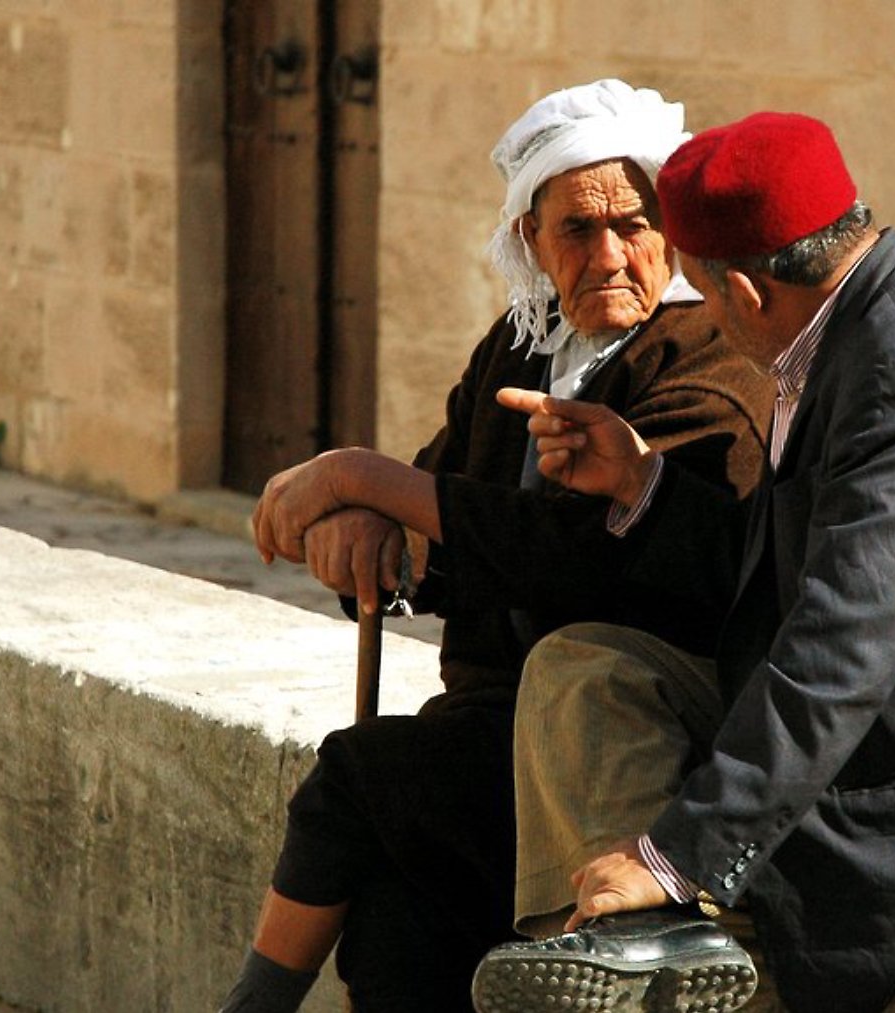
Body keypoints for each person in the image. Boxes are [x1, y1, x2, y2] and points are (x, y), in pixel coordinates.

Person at [477, 111, 895, 1013]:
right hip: (894, 731)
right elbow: (784, 559)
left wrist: (677, 851)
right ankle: (634, 942)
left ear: (748, 296)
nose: (708, 321)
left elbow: (842, 646)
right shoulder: (846, 327)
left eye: (705, 298)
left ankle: (663, 939)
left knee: (737, 905)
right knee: (587, 670)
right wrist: (643, 482)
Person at [223, 80, 773, 1012]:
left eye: (634, 226)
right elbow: (450, 496)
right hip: (492, 721)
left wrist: (363, 475)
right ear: (530, 240)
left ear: (669, 233)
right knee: (395, 931)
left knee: (357, 779)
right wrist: (376, 531)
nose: (609, 256)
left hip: (617, 744)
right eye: (576, 232)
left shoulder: (705, 358)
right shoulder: (520, 349)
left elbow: (570, 552)